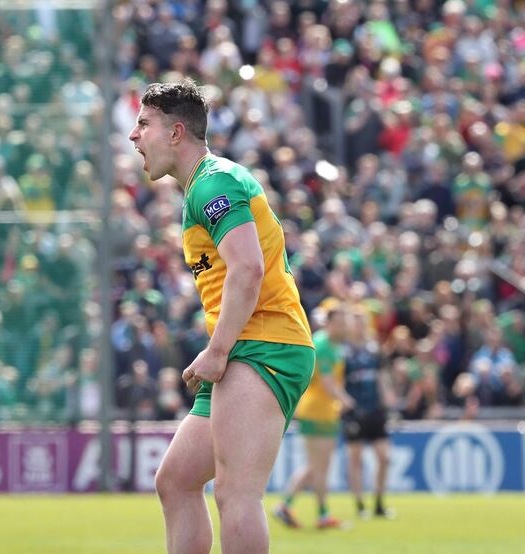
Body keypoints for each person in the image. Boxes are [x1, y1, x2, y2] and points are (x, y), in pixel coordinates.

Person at [130, 79, 315, 554]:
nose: (134, 136)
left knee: (237, 492)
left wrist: (216, 350)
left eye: (143, 123)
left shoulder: (214, 182)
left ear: (175, 133)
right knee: (176, 480)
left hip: (264, 346)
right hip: (246, 347)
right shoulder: (203, 187)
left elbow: (249, 268)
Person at [273, 307, 353, 530]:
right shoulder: (325, 345)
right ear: (328, 323)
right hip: (317, 410)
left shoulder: (333, 346)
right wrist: (348, 402)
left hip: (324, 411)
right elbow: (327, 383)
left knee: (317, 466)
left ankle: (291, 506)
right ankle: (320, 513)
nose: (344, 326)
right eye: (339, 321)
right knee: (319, 466)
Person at [341, 307, 396, 519]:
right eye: (355, 320)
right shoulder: (343, 350)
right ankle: (359, 504)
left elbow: (382, 377)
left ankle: (379, 503)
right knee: (355, 458)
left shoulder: (374, 349)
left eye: (362, 320)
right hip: (354, 410)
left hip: (375, 410)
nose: (359, 324)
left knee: (385, 457)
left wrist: (388, 399)